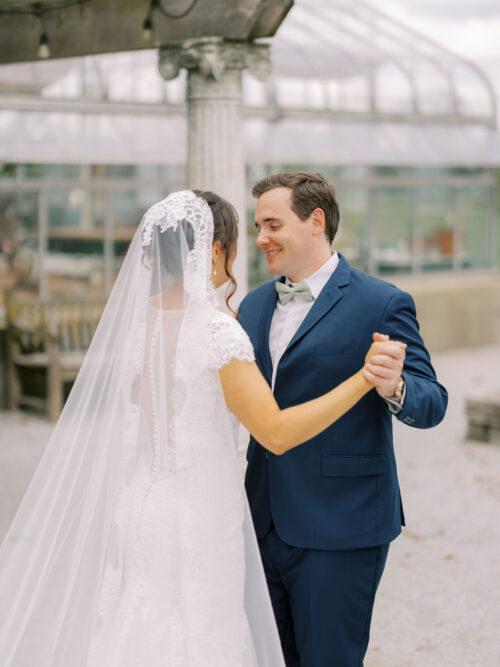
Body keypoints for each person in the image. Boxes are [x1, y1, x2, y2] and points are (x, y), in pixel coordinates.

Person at [0, 189, 404, 666]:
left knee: (139, 631)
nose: (252, 245)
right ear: (214, 249)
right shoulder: (215, 331)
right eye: (241, 238)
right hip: (197, 517)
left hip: (139, 508)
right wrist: (363, 379)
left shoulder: (141, 326)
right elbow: (273, 432)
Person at [237, 172, 449, 667]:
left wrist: (393, 385)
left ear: (315, 221)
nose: (261, 237)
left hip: (341, 526)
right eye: (257, 226)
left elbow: (432, 401)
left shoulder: (381, 301)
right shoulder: (253, 305)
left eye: (272, 223)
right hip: (260, 519)